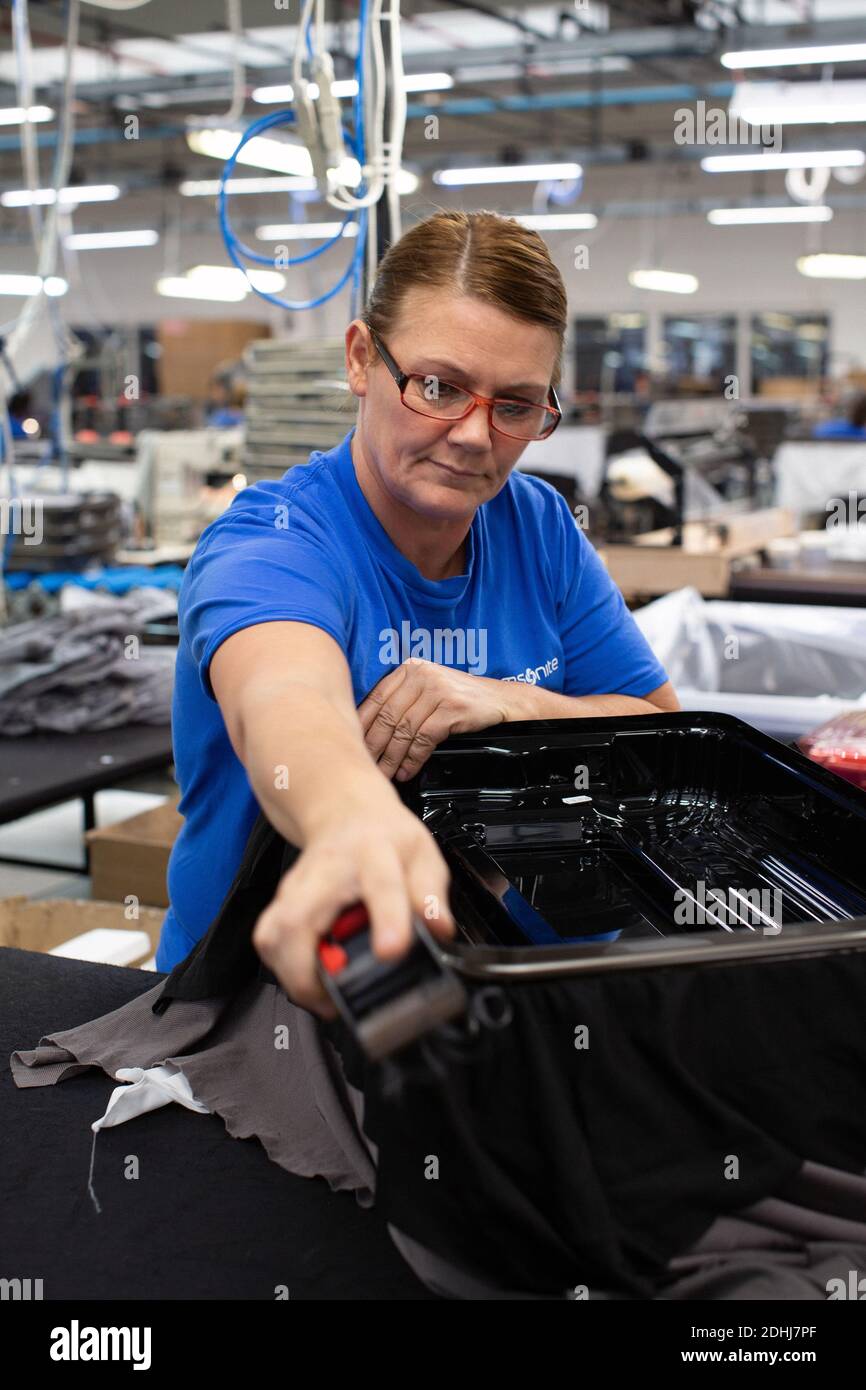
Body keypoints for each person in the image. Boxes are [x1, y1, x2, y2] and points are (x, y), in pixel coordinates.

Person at [156, 210, 679, 1015]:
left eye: (515, 406)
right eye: (438, 387)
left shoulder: (537, 526)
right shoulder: (277, 540)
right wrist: (351, 824)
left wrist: (514, 701)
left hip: (527, 994)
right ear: (363, 359)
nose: (474, 436)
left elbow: (656, 726)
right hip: (276, 1009)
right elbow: (284, 703)